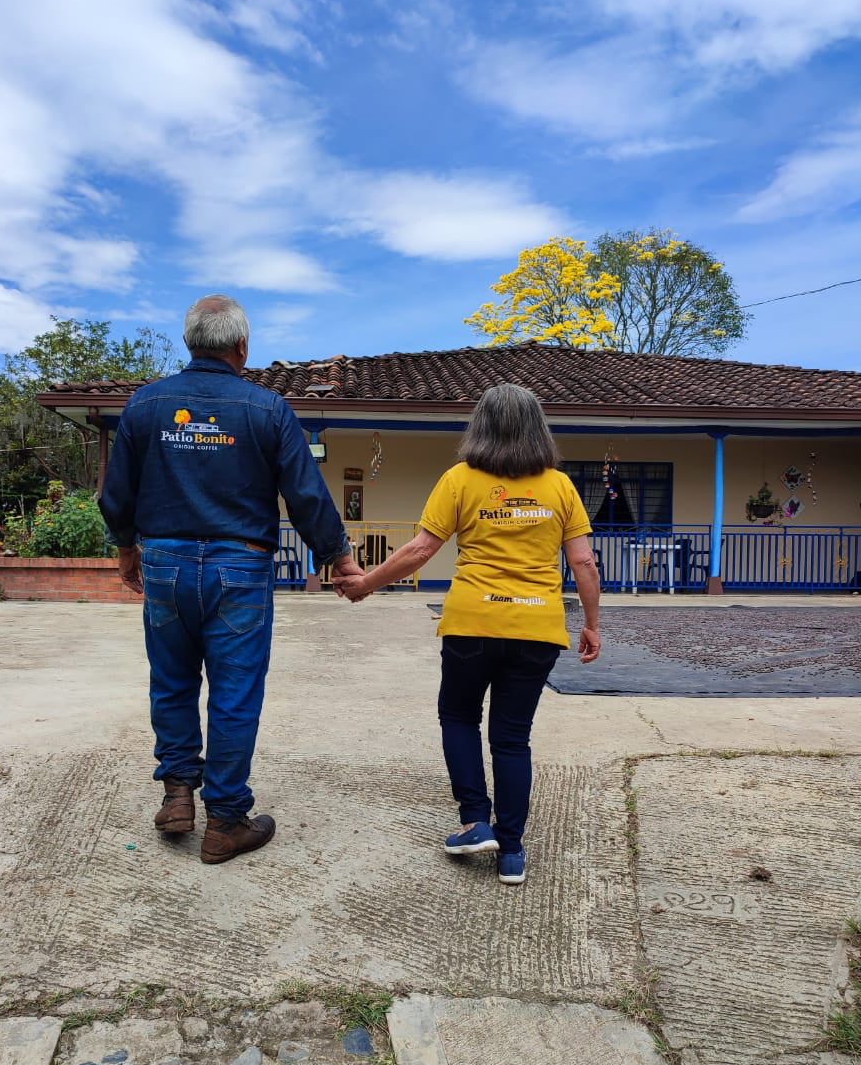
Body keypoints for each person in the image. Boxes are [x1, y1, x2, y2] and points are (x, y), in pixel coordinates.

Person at [100, 294, 363, 865]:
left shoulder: (146, 405)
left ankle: (177, 795)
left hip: (165, 562)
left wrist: (125, 549)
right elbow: (305, 493)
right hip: (239, 566)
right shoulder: (267, 409)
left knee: (172, 680)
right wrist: (338, 557)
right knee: (234, 691)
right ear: (242, 346)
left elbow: (116, 491)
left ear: (190, 342)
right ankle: (224, 821)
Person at [334, 383, 600, 885]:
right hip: (537, 627)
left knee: (458, 716)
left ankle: (475, 821)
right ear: (537, 429)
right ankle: (512, 851)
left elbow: (420, 550)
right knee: (512, 737)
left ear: (481, 427)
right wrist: (591, 624)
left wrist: (366, 584)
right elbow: (583, 561)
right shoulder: (561, 486)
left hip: (472, 622)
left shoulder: (459, 479)